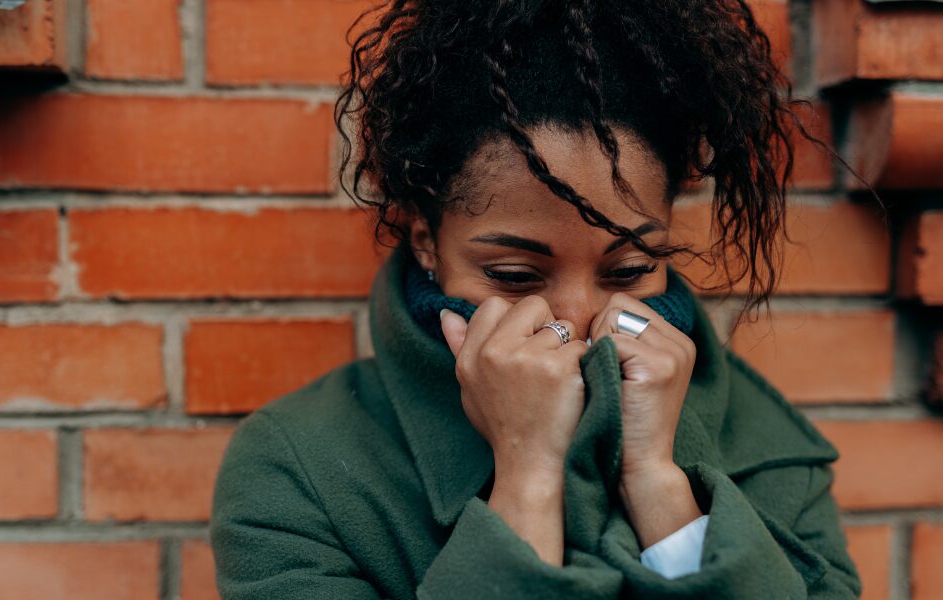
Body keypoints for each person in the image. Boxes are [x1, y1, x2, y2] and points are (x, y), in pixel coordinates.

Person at [210, 0, 863, 598]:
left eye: (629, 269)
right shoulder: (301, 469)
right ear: (427, 242)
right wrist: (525, 480)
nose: (576, 318)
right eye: (515, 276)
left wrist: (661, 486)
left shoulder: (765, 443)